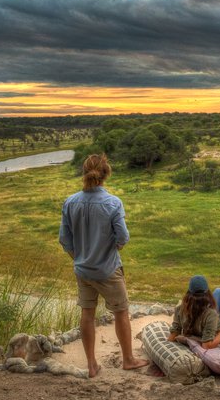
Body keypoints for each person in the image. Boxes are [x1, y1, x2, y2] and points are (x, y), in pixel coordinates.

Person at [59, 154, 148, 378]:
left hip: (83, 269)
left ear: (84, 173)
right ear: (106, 174)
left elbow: (65, 240)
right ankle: (128, 359)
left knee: (87, 313)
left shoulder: (70, 202)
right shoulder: (112, 203)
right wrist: (109, 252)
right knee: (121, 312)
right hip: (108, 269)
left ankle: (91, 365)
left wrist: (79, 258)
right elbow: (123, 237)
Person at [168, 275, 220, 349]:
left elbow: (173, 335)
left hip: (213, 322)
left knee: (219, 291)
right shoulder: (211, 314)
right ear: (207, 293)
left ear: (188, 292)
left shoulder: (179, 309)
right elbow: (207, 345)